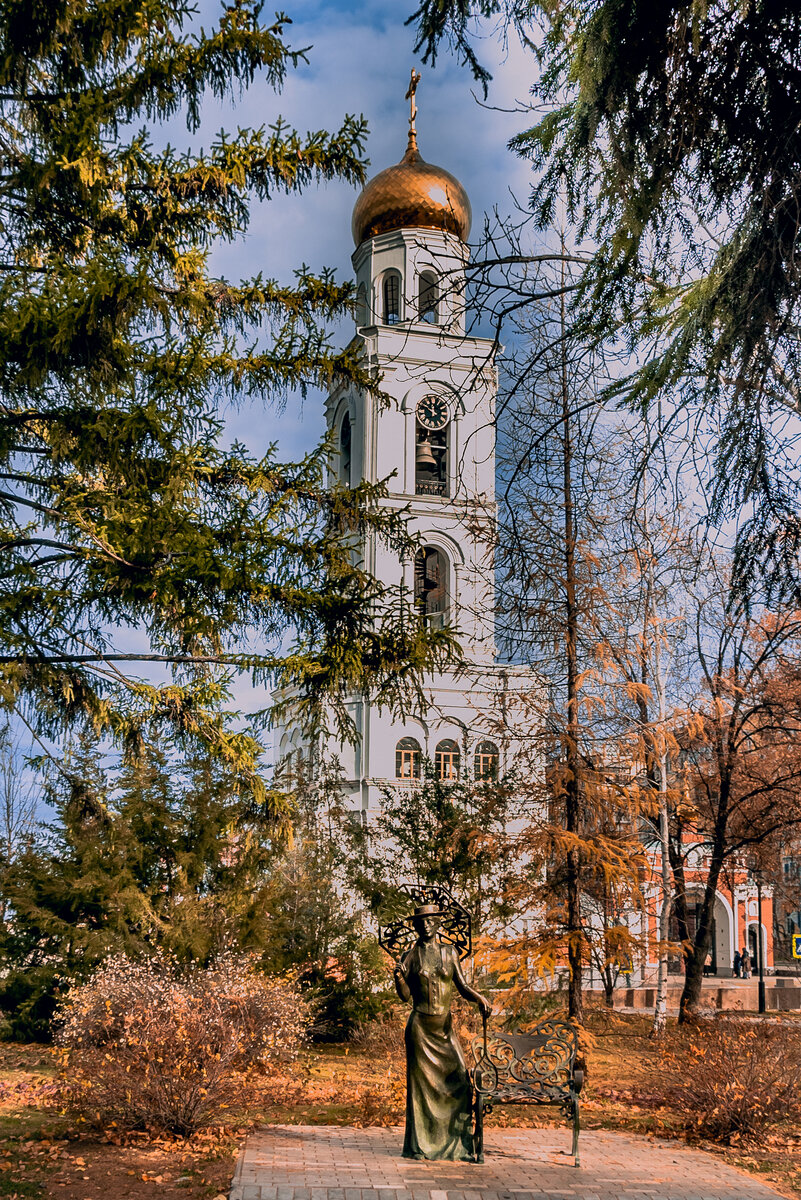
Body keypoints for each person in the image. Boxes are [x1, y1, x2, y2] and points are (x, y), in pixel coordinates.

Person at [393, 903, 491, 1161]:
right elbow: (405, 997)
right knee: (420, 1090)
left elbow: (462, 985)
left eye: (430, 921)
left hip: (444, 1029)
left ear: (438, 923)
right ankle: (420, 1145)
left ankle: (456, 1145)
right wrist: (400, 978)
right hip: (420, 1029)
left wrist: (479, 998)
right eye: (420, 922)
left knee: (459, 1080)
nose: (425, 925)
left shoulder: (450, 953)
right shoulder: (410, 956)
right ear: (415, 926)